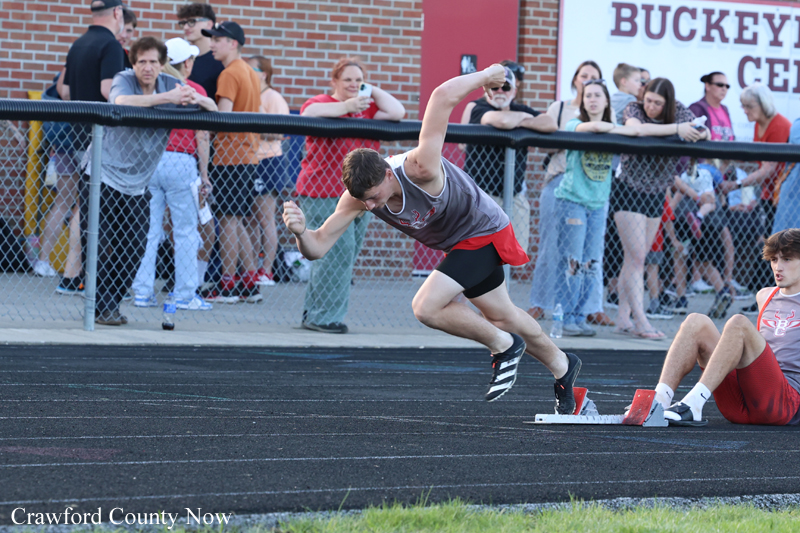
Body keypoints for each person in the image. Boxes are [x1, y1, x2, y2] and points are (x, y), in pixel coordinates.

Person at [282, 64, 582, 412]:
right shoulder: (358, 198)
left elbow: (441, 97)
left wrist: (487, 75)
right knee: (504, 314)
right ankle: (563, 366)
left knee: (426, 306)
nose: (370, 205)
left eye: (374, 197)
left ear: (387, 173)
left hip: (484, 229)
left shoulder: (420, 167)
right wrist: (302, 233)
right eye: (363, 200)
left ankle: (504, 345)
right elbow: (318, 247)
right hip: (460, 243)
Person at [80, 36, 210, 325]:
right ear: (133, 64)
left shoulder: (173, 86)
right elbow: (120, 101)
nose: (147, 67)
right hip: (102, 175)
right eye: (142, 62)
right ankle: (99, 308)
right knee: (99, 246)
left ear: (162, 65)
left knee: (135, 246)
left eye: (153, 62)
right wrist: (168, 99)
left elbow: (213, 109)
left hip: (138, 182)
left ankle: (107, 304)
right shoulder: (124, 80)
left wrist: (196, 97)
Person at [296, 57, 405, 333]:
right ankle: (323, 318)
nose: (353, 85)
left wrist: (370, 91)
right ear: (334, 82)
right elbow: (307, 114)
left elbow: (397, 111)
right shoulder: (322, 102)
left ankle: (315, 311)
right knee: (336, 255)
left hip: (361, 197)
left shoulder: (366, 110)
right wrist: (345, 106)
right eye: (347, 80)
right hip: (322, 192)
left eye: (359, 80)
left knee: (343, 256)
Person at [648, 228, 800, 427]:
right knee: (696, 321)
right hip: (740, 405)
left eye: (787, 259)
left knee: (739, 323)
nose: (778, 267)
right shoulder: (764, 296)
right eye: (774, 260)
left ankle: (694, 402)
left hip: (782, 406)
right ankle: (658, 401)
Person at [35, 0, 127, 293]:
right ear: (117, 13)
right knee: (87, 207)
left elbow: (65, 91)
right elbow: (107, 90)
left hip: (76, 137)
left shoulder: (78, 44)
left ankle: (71, 273)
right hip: (101, 139)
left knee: (77, 204)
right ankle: (74, 275)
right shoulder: (110, 46)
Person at [611, 77, 709, 340]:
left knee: (634, 258)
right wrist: (678, 129)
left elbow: (703, 131)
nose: (651, 107)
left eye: (657, 103)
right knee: (638, 258)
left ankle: (622, 318)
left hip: (657, 193)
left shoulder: (679, 110)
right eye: (649, 101)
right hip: (629, 189)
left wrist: (695, 130)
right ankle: (641, 321)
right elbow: (637, 129)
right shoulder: (635, 108)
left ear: (668, 103)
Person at [132, 37, 217, 312]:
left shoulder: (153, 86)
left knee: (149, 231)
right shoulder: (193, 89)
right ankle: (183, 294)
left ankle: (142, 292)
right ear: (186, 63)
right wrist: (204, 174)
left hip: (149, 162)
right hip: (181, 162)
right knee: (185, 232)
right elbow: (202, 137)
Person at [529, 60, 614, 328]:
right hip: (562, 183)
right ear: (576, 79)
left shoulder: (608, 119)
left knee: (590, 255)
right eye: (584, 77)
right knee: (554, 249)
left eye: (595, 80)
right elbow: (545, 143)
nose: (588, 82)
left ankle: (587, 310)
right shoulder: (564, 110)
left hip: (594, 193)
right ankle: (543, 304)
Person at [553, 79, 637, 336]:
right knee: (572, 261)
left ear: (606, 100)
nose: (592, 99)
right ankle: (565, 317)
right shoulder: (574, 124)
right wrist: (617, 127)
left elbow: (635, 133)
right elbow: (596, 127)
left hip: (598, 205)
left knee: (591, 262)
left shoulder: (614, 129)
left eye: (597, 95)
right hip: (573, 202)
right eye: (587, 95)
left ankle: (579, 315)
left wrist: (619, 128)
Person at [199, 21, 262, 304]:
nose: (212, 44)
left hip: (228, 156)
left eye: (217, 39)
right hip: (248, 154)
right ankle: (248, 282)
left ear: (233, 43)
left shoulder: (229, 74)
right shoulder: (250, 72)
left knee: (227, 220)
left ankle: (228, 285)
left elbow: (222, 118)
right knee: (236, 220)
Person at [462, 67, 556, 257]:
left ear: (514, 91)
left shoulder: (520, 109)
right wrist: (525, 120)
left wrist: (518, 119)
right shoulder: (478, 107)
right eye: (494, 87)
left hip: (513, 196)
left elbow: (550, 123)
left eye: (505, 87)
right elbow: (501, 121)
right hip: (481, 196)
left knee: (514, 254)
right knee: (477, 254)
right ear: (486, 90)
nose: (500, 92)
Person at [720, 84, 791, 313]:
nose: (745, 110)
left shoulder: (778, 125)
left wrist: (737, 184)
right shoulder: (760, 124)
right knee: (771, 246)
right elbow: (759, 164)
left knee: (777, 247)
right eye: (743, 106)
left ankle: (770, 298)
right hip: (768, 195)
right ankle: (765, 296)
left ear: (762, 104)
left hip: (782, 198)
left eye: (749, 106)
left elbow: (768, 168)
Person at [247, 55, 290, 287]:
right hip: (250, 161)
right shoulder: (250, 95)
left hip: (269, 160)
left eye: (251, 69)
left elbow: (280, 132)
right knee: (250, 219)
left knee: (266, 218)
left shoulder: (273, 97)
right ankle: (252, 268)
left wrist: (254, 131)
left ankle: (267, 271)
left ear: (263, 73)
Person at [177, 2, 223, 99]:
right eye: (183, 23)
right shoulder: (179, 58)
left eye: (192, 22)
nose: (185, 27)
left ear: (209, 24)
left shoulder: (219, 62)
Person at [688, 72, 734, 142]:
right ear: (707, 86)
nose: (724, 89)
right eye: (720, 85)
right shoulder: (697, 108)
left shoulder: (725, 109)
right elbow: (691, 136)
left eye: (727, 86)